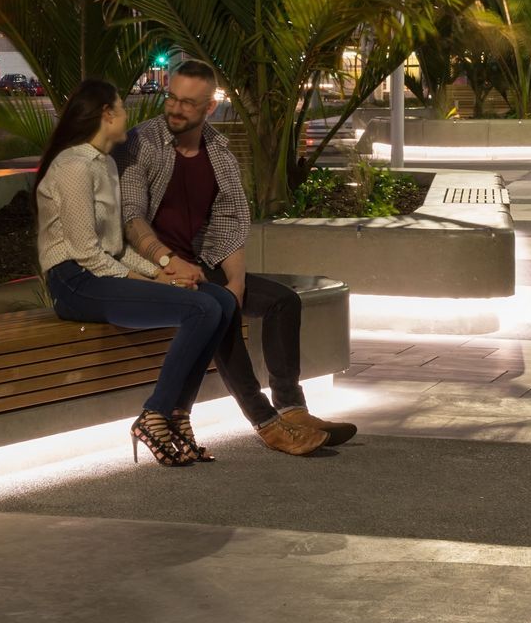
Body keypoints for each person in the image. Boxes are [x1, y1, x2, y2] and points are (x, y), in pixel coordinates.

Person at [117, 60, 355, 456]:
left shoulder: (219, 154)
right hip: (150, 270)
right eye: (171, 98)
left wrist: (238, 280)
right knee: (220, 306)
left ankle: (292, 409)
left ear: (209, 108)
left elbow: (230, 222)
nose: (175, 109)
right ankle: (265, 422)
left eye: (188, 103)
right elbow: (130, 215)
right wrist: (166, 263)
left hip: (200, 263)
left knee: (283, 301)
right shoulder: (141, 145)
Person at [35, 78, 237, 467]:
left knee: (221, 301)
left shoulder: (105, 163)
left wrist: (163, 270)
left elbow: (116, 246)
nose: (128, 116)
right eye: (122, 108)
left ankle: (178, 415)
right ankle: (155, 414)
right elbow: (86, 253)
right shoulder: (74, 166)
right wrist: (146, 281)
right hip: (75, 282)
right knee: (200, 309)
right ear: (106, 114)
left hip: (100, 276)